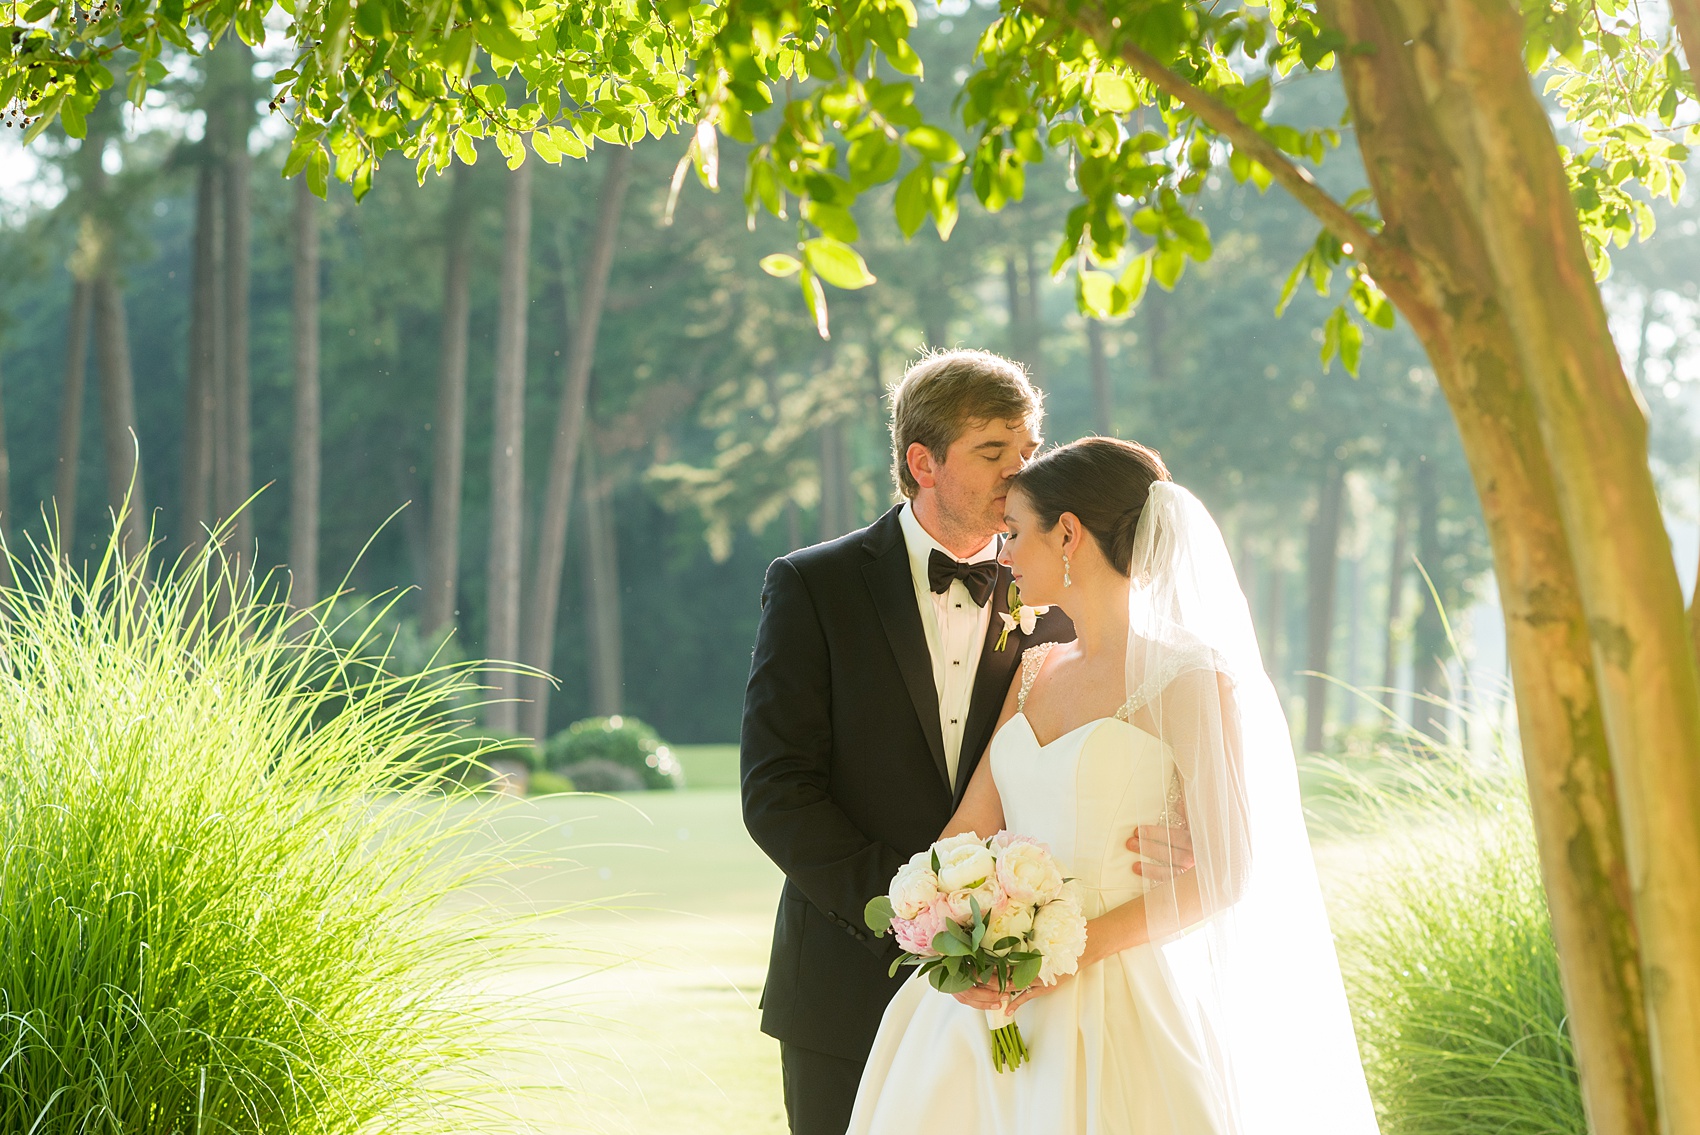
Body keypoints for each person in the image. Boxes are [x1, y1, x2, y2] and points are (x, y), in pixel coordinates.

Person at [846, 437, 1378, 1135]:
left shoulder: (1190, 677)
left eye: (1014, 533)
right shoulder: (1034, 669)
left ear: (1067, 533)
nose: (1003, 554)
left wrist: (1061, 957)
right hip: (985, 1005)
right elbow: (961, 835)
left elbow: (1224, 871)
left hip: (1119, 995)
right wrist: (957, 928)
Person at [740, 349, 1082, 1135]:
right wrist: (916, 921)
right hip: (842, 987)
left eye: (1028, 453)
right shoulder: (812, 585)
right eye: (994, 453)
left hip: (1018, 990)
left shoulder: (1059, 599)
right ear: (922, 461)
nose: (1019, 475)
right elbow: (777, 790)